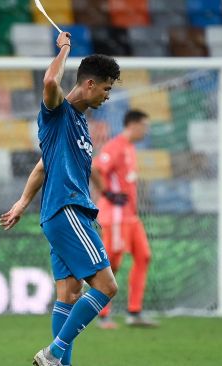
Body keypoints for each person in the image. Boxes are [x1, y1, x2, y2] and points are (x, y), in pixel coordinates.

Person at [0, 31, 120, 366]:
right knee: (108, 287)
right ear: (91, 84)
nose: (108, 97)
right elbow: (51, 80)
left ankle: (59, 364)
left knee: (69, 295)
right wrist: (65, 48)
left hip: (60, 213)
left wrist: (23, 202)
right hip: (68, 211)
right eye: (107, 88)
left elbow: (42, 167)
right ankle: (52, 355)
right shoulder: (58, 112)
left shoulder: (78, 124)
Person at [91, 109, 157, 328]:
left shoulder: (129, 148)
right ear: (133, 125)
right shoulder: (115, 146)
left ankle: (134, 312)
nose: (146, 131)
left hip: (130, 216)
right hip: (116, 215)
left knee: (144, 256)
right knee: (112, 263)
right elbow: (95, 168)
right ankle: (102, 314)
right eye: (144, 126)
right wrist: (108, 193)